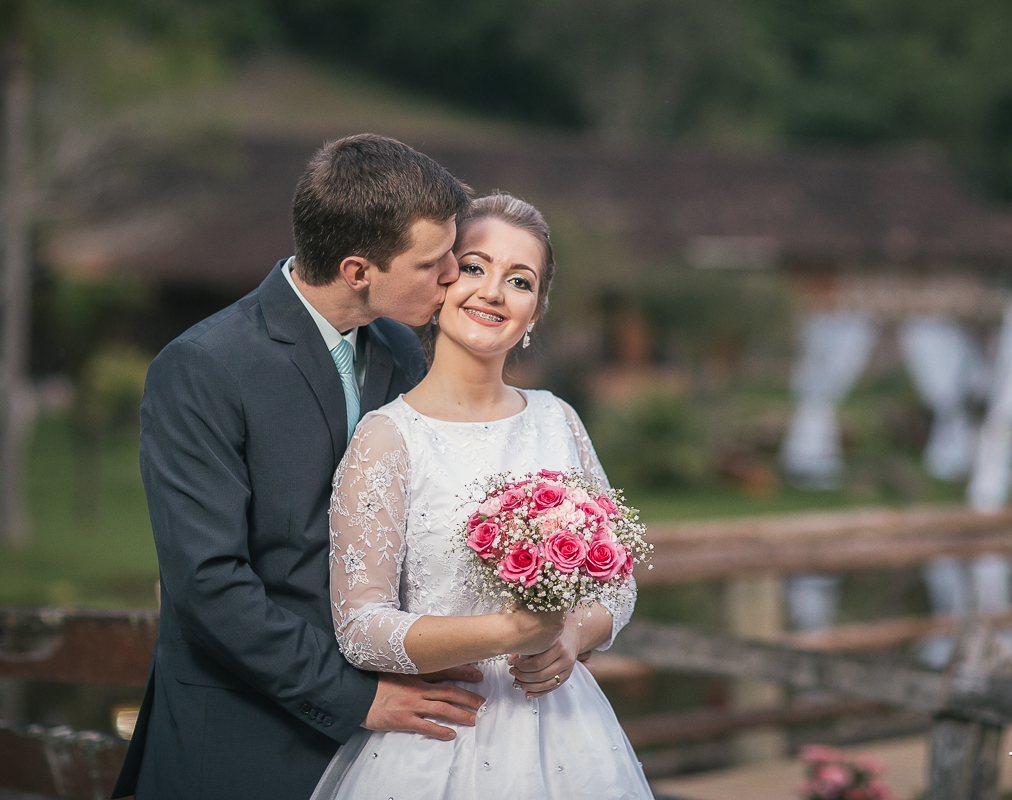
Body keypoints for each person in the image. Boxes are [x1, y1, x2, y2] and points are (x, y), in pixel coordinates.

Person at [113, 135, 561, 799]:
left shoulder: (402, 352)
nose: (451, 279)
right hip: (242, 739)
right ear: (358, 270)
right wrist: (355, 697)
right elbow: (208, 583)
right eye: (435, 263)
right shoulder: (204, 369)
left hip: (400, 738)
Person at [313, 194, 652, 799]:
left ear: (535, 312)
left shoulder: (558, 420)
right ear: (441, 280)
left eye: (519, 280)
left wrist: (572, 636)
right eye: (474, 267)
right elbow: (360, 626)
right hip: (438, 736)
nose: (492, 292)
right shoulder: (388, 438)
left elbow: (617, 583)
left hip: (568, 737)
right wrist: (509, 631)